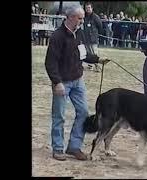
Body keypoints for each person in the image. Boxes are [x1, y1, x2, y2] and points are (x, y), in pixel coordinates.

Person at [44, 5, 107, 161]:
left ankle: (74, 147)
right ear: (70, 17)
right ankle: (58, 149)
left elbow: (83, 54)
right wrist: (57, 82)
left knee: (84, 112)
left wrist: (98, 59)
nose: (82, 21)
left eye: (82, 18)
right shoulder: (57, 36)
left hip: (78, 80)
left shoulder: (79, 33)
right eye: (80, 18)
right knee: (59, 116)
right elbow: (50, 63)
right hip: (62, 82)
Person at [83, 2, 103, 71]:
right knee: (87, 53)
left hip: (93, 39)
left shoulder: (95, 17)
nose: (87, 9)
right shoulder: (83, 16)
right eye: (86, 8)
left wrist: (96, 34)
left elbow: (100, 26)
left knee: (94, 53)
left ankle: (98, 67)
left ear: (92, 8)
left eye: (89, 8)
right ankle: (90, 66)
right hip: (85, 38)